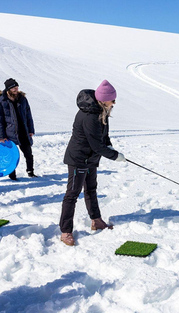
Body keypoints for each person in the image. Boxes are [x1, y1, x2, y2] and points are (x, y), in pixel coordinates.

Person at [59, 80, 126, 246]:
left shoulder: (102, 110)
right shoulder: (90, 116)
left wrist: (109, 145)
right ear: (103, 99)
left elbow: (103, 135)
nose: (114, 103)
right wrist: (114, 155)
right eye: (112, 100)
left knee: (91, 190)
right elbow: (96, 145)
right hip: (78, 159)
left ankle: (96, 220)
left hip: (91, 158)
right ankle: (65, 231)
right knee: (72, 194)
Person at [0, 78, 37, 180]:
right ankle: (12, 175)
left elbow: (28, 115)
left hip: (23, 131)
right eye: (13, 88)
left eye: (17, 87)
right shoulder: (1, 101)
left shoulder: (22, 99)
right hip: (9, 133)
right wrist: (1, 136)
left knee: (28, 154)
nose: (16, 89)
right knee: (11, 156)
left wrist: (31, 130)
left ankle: (30, 171)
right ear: (8, 89)